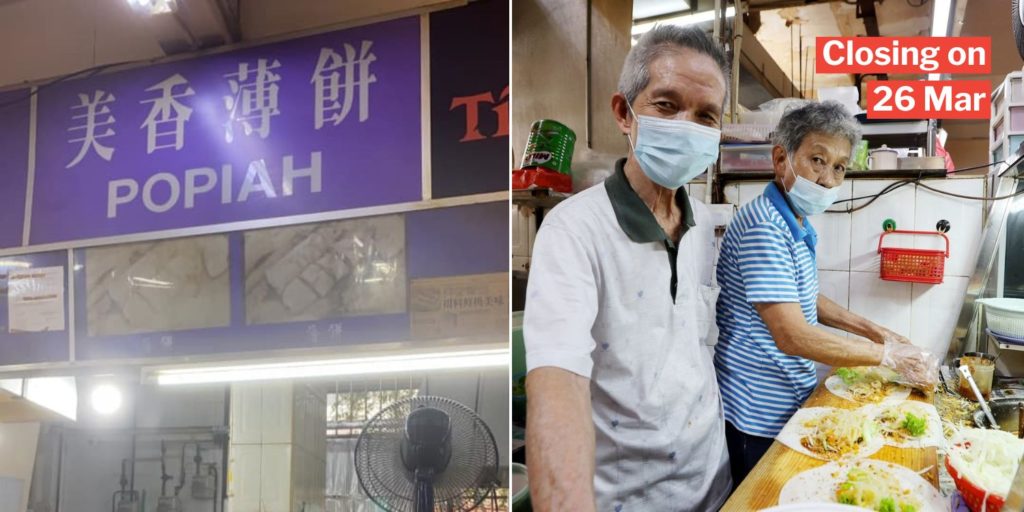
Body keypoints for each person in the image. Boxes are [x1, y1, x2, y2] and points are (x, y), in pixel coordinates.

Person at [523, 25, 732, 512]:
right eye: (666, 105)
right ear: (624, 113)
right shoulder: (573, 230)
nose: (687, 126)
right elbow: (558, 383)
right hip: (629, 498)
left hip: (715, 481)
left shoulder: (702, 222)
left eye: (706, 116)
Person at [713, 101, 940, 486]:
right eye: (817, 160)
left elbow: (803, 296)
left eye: (839, 167)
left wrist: (877, 332)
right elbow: (791, 335)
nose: (828, 180)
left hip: (786, 398)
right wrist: (886, 356)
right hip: (756, 411)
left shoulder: (793, 219)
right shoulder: (764, 225)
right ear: (781, 159)